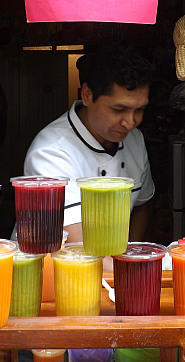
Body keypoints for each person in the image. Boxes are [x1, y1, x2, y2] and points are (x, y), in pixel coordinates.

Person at [23, 42, 156, 255]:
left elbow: (142, 205)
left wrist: (126, 254)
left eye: (139, 110)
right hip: (59, 276)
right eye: (119, 109)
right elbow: (77, 249)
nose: (130, 122)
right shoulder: (50, 152)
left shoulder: (135, 141)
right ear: (87, 95)